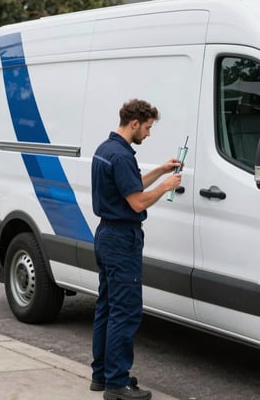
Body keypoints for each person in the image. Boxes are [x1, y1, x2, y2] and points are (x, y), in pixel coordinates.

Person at [90, 99, 182, 400]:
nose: (149, 133)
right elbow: (138, 201)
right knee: (125, 312)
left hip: (105, 235)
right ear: (134, 124)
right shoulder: (121, 156)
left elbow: (130, 185)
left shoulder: (106, 149)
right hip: (121, 240)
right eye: (147, 127)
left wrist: (159, 171)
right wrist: (167, 186)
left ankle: (101, 375)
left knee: (106, 307)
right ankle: (118, 383)